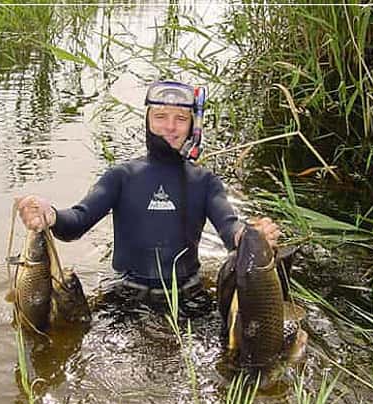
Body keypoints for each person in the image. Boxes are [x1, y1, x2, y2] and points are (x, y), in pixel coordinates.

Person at [17, 80, 281, 309]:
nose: (170, 126)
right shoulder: (121, 176)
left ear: (193, 126)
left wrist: (252, 236)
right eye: (160, 116)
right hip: (124, 293)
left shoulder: (205, 182)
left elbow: (229, 228)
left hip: (188, 294)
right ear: (148, 120)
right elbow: (76, 222)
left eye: (181, 118)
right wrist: (50, 215)